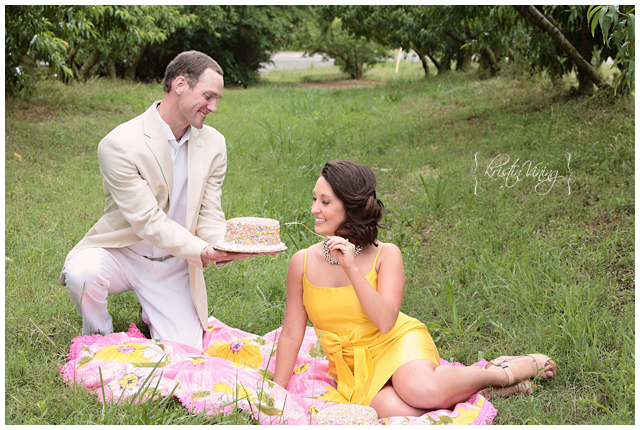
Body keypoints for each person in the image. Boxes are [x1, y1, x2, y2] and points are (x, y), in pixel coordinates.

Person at [272, 160, 557, 418]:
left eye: (324, 201)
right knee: (399, 412)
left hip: (396, 342)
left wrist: (351, 268)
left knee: (421, 390)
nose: (314, 209)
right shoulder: (302, 262)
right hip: (352, 366)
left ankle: (500, 373)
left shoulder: (386, 254)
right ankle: (480, 391)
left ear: (350, 207)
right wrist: (276, 393)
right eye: (314, 199)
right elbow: (291, 335)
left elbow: (385, 322)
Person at [60, 51, 275, 350]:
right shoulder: (118, 144)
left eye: (217, 100)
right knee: (82, 274)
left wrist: (222, 248)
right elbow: (147, 221)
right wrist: (202, 250)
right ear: (180, 84)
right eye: (209, 96)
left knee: (186, 355)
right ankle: (100, 336)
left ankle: (155, 312)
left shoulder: (214, 144)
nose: (213, 108)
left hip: (175, 263)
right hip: (122, 253)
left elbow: (210, 212)